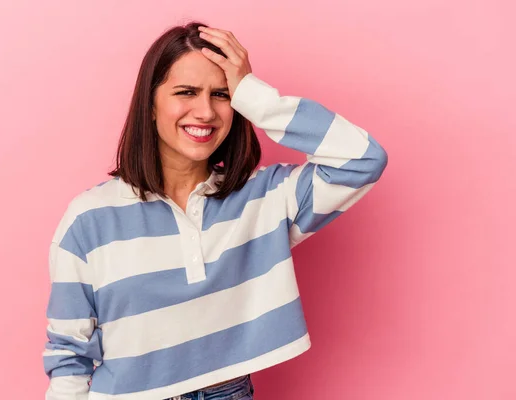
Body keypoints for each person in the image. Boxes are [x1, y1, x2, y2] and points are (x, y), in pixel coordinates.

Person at [43, 21, 388, 400]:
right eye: (186, 92)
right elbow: (68, 355)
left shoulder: (266, 198)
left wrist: (254, 95)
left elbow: (363, 160)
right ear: (151, 104)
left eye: (222, 94)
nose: (205, 111)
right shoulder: (89, 219)